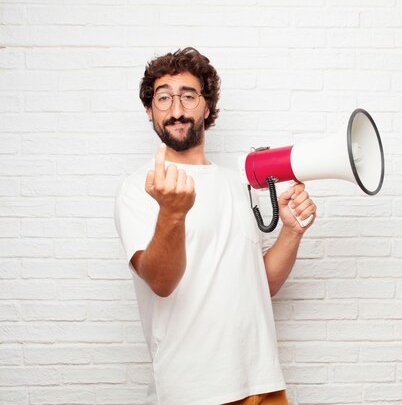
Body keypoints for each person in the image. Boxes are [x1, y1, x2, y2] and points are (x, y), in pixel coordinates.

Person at [114, 47, 316, 405]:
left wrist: (291, 231)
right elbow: (161, 282)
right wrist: (172, 213)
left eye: (188, 96)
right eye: (163, 98)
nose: (176, 110)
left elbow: (258, 285)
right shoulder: (139, 189)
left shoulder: (237, 183)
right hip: (194, 391)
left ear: (207, 107)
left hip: (262, 381)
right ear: (150, 111)